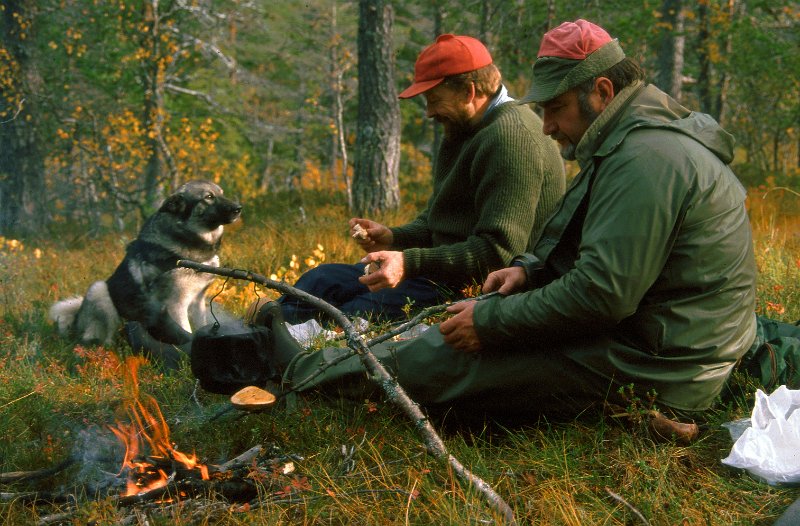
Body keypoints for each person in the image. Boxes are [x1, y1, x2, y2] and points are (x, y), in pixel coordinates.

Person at [260, 19, 757, 430]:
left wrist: (491, 322)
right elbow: (587, 244)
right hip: (659, 341)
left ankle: (299, 369)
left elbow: (603, 293)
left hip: (656, 363)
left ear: (602, 92)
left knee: (439, 359)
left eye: (556, 108)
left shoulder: (646, 159)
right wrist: (529, 273)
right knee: (437, 341)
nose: (546, 126)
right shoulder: (631, 145)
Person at [276, 34, 565, 324]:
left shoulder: (511, 139)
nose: (429, 113)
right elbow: (440, 221)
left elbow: (497, 254)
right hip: (440, 274)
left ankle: (270, 340)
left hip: (475, 290)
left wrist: (408, 263)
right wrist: (393, 237)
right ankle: (265, 330)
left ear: (469, 91)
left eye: (434, 100)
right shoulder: (465, 127)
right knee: (321, 280)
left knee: (353, 314)